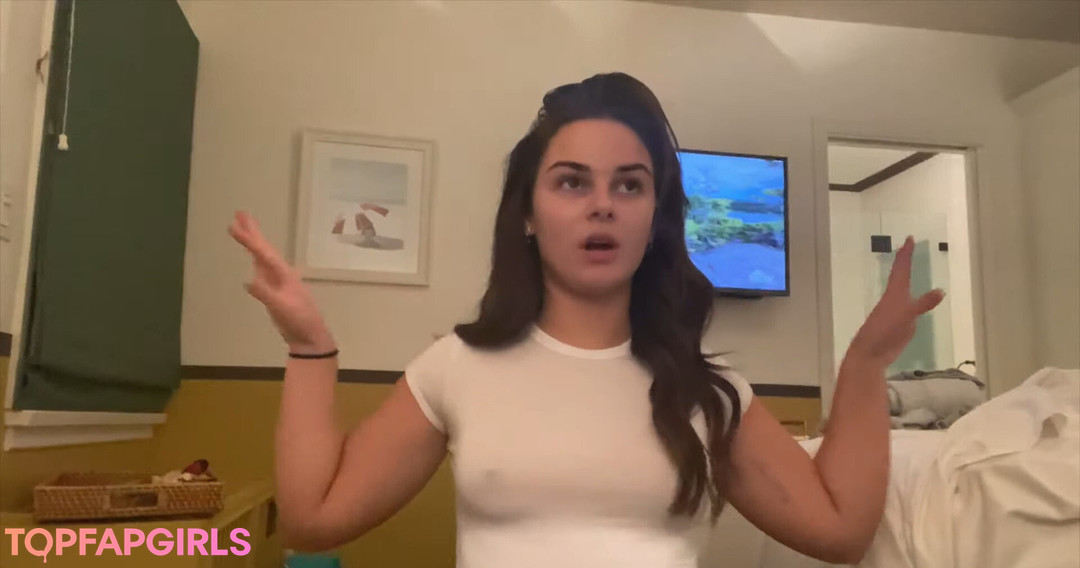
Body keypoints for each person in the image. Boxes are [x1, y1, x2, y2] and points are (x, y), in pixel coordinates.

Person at [229, 73, 944, 567]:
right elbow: (313, 519)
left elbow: (840, 531)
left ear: (654, 220)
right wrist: (309, 347)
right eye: (572, 182)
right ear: (528, 214)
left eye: (629, 186)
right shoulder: (457, 367)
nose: (602, 204)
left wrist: (865, 364)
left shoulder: (706, 393)